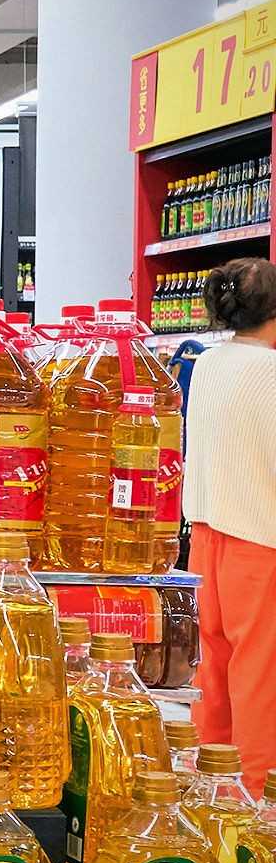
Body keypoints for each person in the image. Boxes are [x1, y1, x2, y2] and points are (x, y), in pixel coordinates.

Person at [184, 257, 276, 796]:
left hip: (206, 535)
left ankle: (212, 789)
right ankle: (260, 803)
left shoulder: (211, 363)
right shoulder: (269, 372)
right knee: (260, 681)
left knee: (213, 672)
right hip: (259, 540)